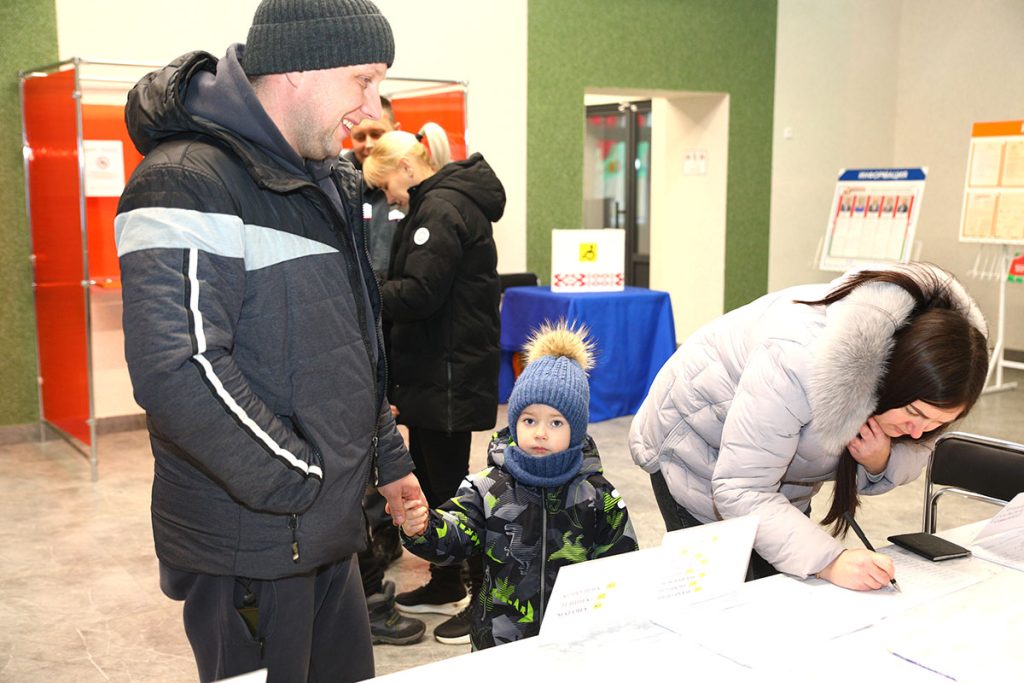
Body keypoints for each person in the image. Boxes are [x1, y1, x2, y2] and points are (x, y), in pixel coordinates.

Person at [113, 1, 426, 681]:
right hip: (254, 542)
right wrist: (304, 481)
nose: (374, 106)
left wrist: (386, 458)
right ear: (298, 70)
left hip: (324, 531)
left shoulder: (322, 179)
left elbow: (350, 344)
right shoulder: (186, 180)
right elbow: (178, 368)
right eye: (363, 80)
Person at [629, 263, 989, 591]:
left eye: (938, 424)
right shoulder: (798, 359)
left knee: (780, 587)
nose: (918, 432)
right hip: (697, 448)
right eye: (914, 413)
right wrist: (829, 560)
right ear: (889, 380)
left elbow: (913, 447)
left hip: (773, 471)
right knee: (717, 598)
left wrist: (880, 459)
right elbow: (742, 487)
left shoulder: (938, 382)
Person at [399, 322, 639, 649]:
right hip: (499, 646)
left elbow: (623, 568)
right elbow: (453, 539)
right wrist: (422, 528)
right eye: (529, 420)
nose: (540, 432)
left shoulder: (599, 496)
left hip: (574, 646)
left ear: (578, 428)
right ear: (514, 423)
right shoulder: (486, 488)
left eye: (556, 422)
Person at [362, 125, 502, 643]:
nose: (388, 197)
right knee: (434, 480)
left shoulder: (441, 209)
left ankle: (479, 592)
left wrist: (366, 290)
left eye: (386, 185)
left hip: (448, 373)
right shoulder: (433, 205)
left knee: (451, 489)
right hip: (435, 371)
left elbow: (420, 293)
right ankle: (445, 580)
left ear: (405, 168)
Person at [339, 94, 425, 646]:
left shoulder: (407, 197)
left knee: (385, 462)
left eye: (376, 132)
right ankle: (367, 591)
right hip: (361, 342)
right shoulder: (345, 187)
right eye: (359, 134)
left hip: (389, 339)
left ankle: (382, 557)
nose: (365, 141)